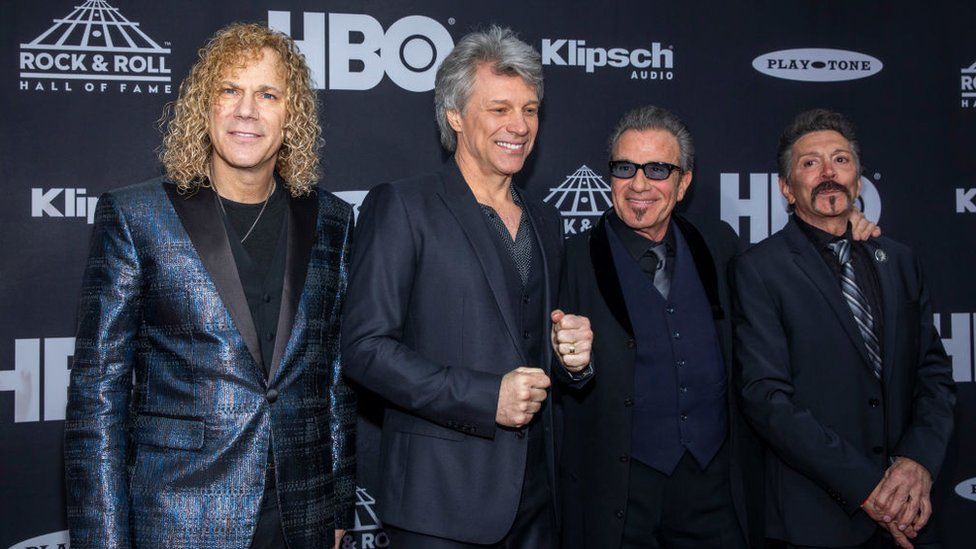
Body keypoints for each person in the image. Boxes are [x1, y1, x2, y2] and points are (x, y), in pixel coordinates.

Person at [64, 23, 355, 549]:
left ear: (292, 116)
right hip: (179, 517)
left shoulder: (332, 218)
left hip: (302, 518)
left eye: (267, 94)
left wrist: (337, 502)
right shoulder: (136, 216)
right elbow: (97, 398)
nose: (247, 110)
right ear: (205, 106)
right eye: (230, 90)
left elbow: (334, 374)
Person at [341, 26, 592, 548]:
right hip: (441, 503)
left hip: (539, 502)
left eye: (529, 109)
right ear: (455, 116)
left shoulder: (546, 220)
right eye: (499, 109)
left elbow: (532, 336)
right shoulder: (404, 206)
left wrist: (573, 360)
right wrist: (485, 397)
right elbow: (365, 350)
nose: (519, 126)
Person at [732, 109, 955, 549]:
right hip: (817, 522)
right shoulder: (759, 270)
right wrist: (868, 488)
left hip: (911, 515)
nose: (828, 173)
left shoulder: (901, 261)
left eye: (841, 160)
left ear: (858, 180)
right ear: (785, 188)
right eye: (810, 163)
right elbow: (768, 400)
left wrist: (916, 463)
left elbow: (934, 377)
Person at [557, 105, 762, 548]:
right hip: (622, 490)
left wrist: (844, 230)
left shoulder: (718, 244)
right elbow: (552, 370)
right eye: (625, 167)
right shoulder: (570, 259)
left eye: (657, 169)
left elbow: (780, 294)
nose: (639, 185)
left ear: (684, 181)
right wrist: (573, 366)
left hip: (713, 488)